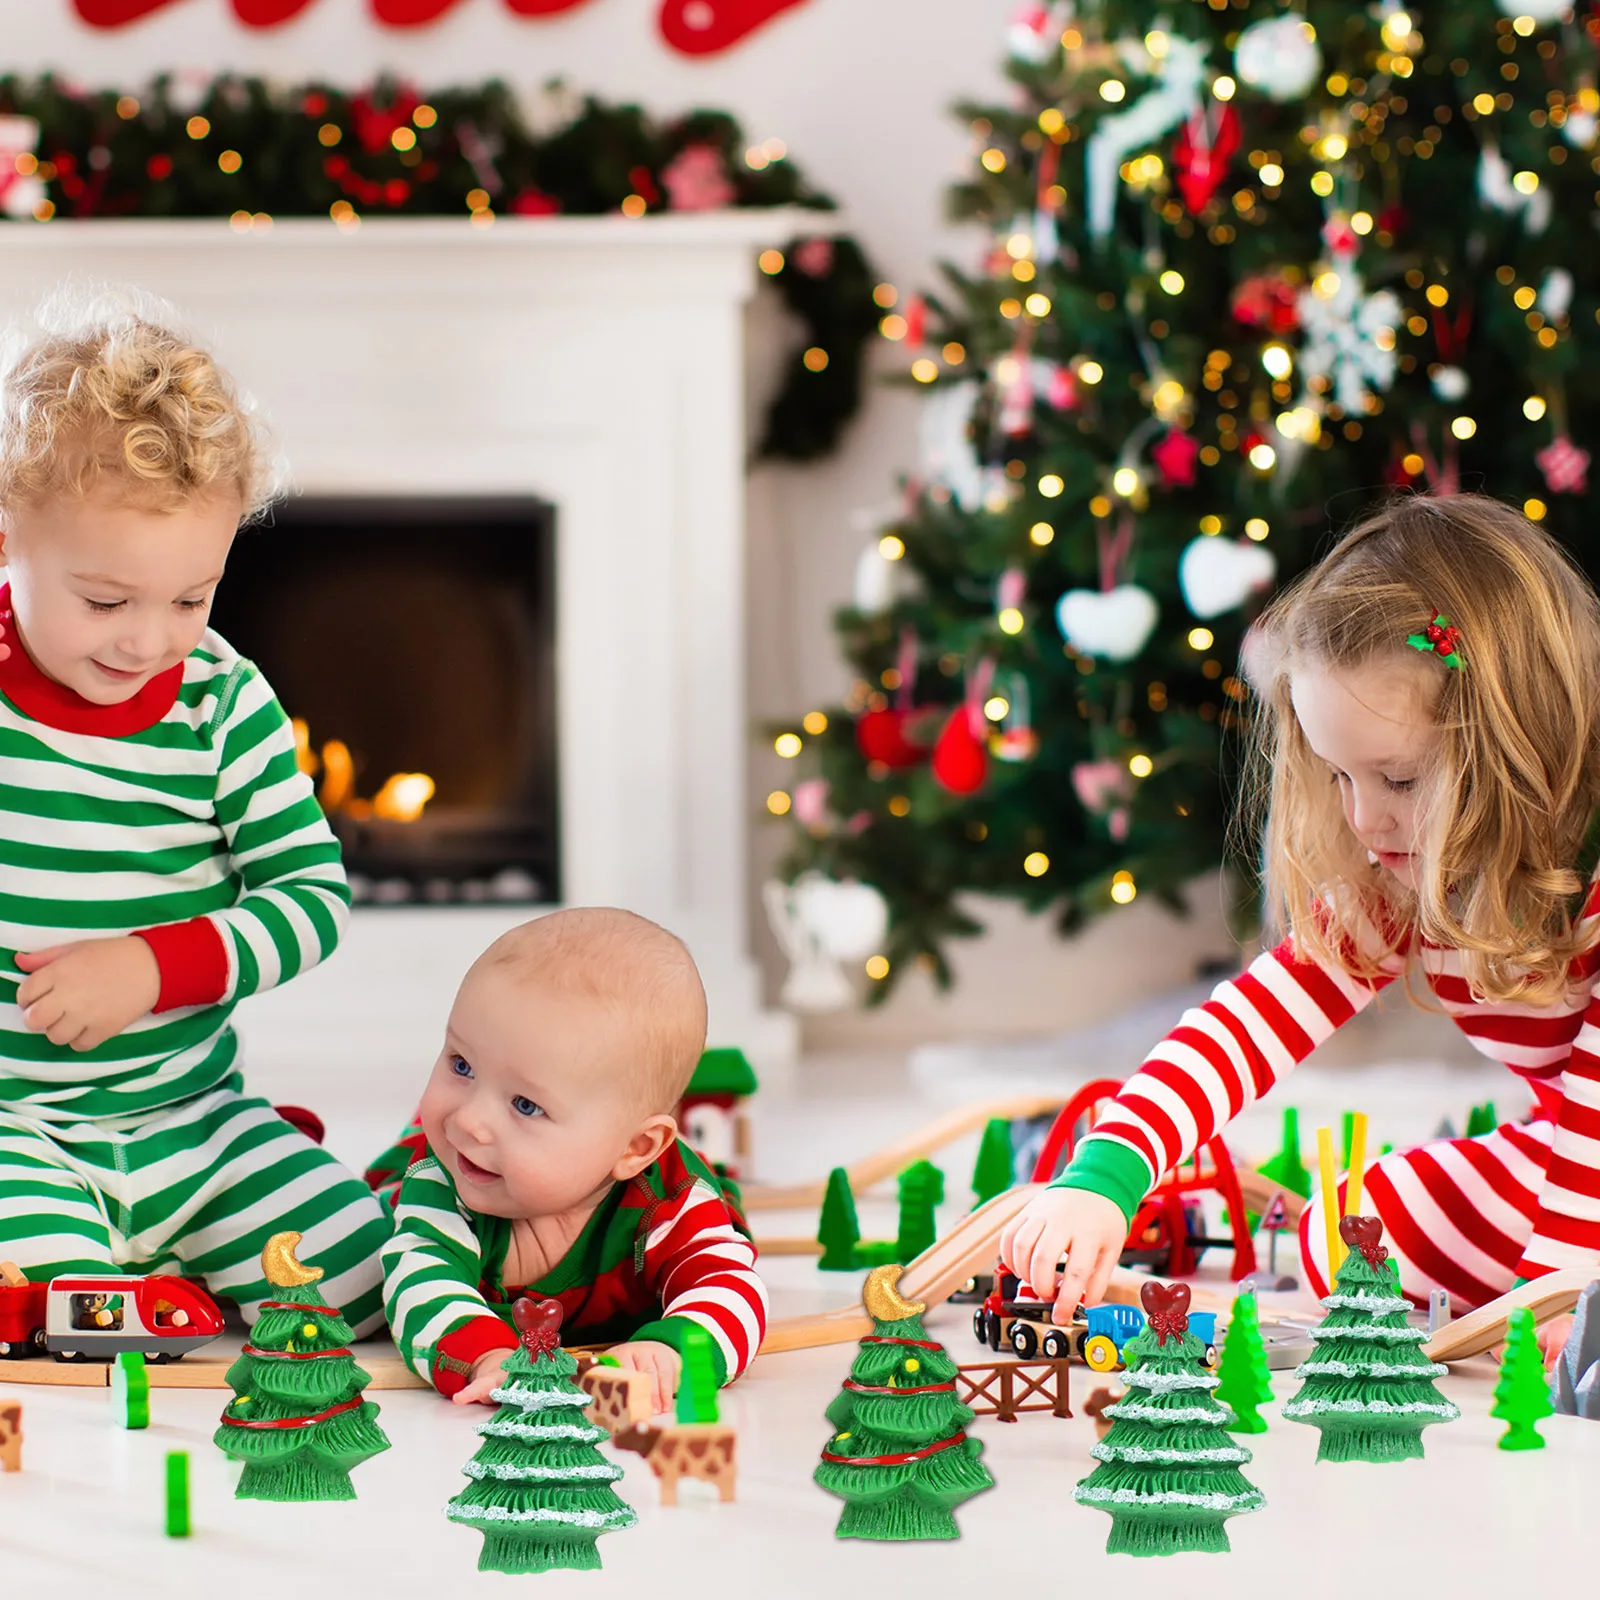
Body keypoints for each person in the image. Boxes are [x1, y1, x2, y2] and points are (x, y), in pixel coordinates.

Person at [1003, 494, 1600, 1363]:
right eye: (1338, 776)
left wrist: (1552, 1306)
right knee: (1352, 1238)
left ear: (1520, 744)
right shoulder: (1402, 877)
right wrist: (1105, 1179)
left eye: (1397, 779)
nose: (1363, 819)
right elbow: (1245, 1023)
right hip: (1572, 1158)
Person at [0, 292, 388, 1331]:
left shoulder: (223, 704)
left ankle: (171, 1263)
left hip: (193, 1121)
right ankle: (119, 1286)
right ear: (7, 538)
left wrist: (154, 966)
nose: (146, 641)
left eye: (190, 597)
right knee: (58, 1305)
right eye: (105, 600)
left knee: (358, 1276)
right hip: (14, 1126)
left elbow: (312, 900)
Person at [380, 908, 769, 1410]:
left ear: (634, 1148)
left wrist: (671, 1350)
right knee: (385, 1202)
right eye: (461, 1065)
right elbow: (419, 1280)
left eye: (526, 1105)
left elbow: (733, 1289)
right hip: (406, 1173)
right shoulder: (442, 1179)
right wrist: (485, 1355)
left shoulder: (668, 1200)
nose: (470, 1121)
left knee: (728, 1228)